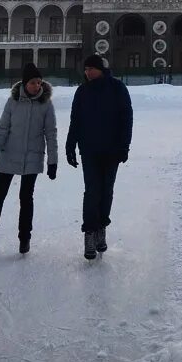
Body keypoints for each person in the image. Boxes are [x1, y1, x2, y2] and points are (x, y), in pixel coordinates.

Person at [0, 63, 57, 254]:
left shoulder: (46, 103)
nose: (37, 86)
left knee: (26, 198)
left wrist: (52, 161)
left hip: (32, 158)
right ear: (25, 83)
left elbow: (51, 134)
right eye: (33, 82)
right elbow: (2, 130)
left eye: (39, 82)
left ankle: (24, 239)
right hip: (9, 155)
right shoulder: (12, 102)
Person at [66, 54, 132, 260]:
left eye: (91, 69)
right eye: (85, 69)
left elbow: (126, 118)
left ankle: (101, 227)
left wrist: (124, 146)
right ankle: (89, 233)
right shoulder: (82, 91)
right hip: (89, 150)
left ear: (101, 69)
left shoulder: (117, 88)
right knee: (92, 190)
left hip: (112, 150)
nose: (87, 72)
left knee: (106, 190)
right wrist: (70, 145)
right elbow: (75, 120)